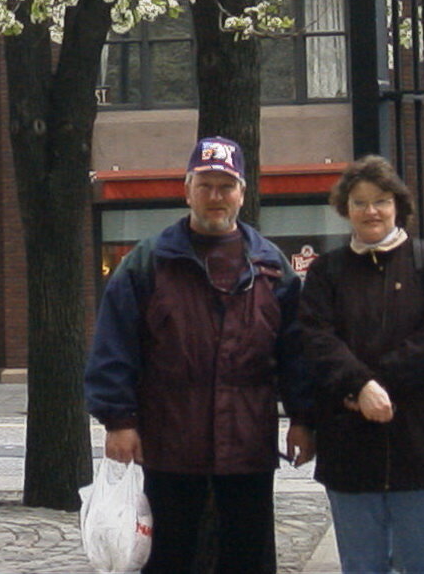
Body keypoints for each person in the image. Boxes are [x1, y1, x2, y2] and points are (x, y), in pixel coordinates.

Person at [84, 135, 316, 574]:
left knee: (248, 558)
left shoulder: (271, 267)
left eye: (225, 186)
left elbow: (296, 351)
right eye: (205, 185)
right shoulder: (149, 263)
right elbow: (114, 345)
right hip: (169, 442)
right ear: (186, 189)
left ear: (242, 193)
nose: (216, 196)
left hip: (247, 444)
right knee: (169, 558)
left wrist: (304, 418)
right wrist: (119, 421)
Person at [300, 155, 424, 574]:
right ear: (345, 208)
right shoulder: (325, 272)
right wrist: (359, 387)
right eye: (359, 202)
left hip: (420, 449)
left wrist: (376, 386)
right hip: (350, 451)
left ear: (398, 206)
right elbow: (316, 340)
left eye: (381, 201)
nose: (370, 211)